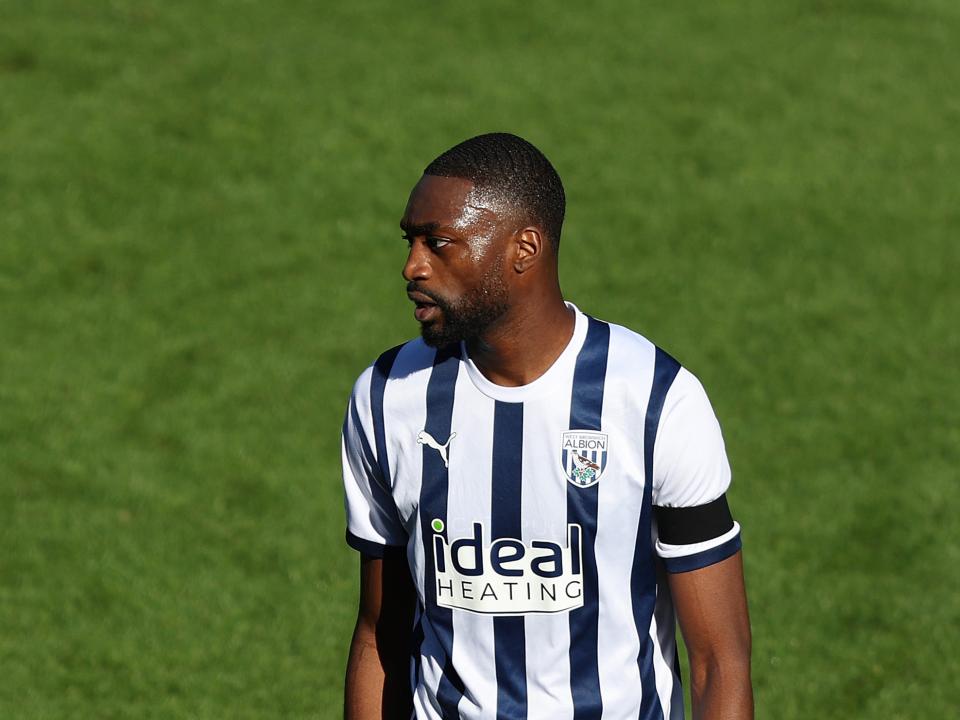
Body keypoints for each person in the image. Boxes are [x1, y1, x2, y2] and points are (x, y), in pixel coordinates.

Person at [342, 133, 753, 720]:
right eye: (410, 241)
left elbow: (720, 661)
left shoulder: (657, 400)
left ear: (525, 248)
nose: (412, 265)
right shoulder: (387, 397)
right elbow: (379, 635)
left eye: (439, 243)